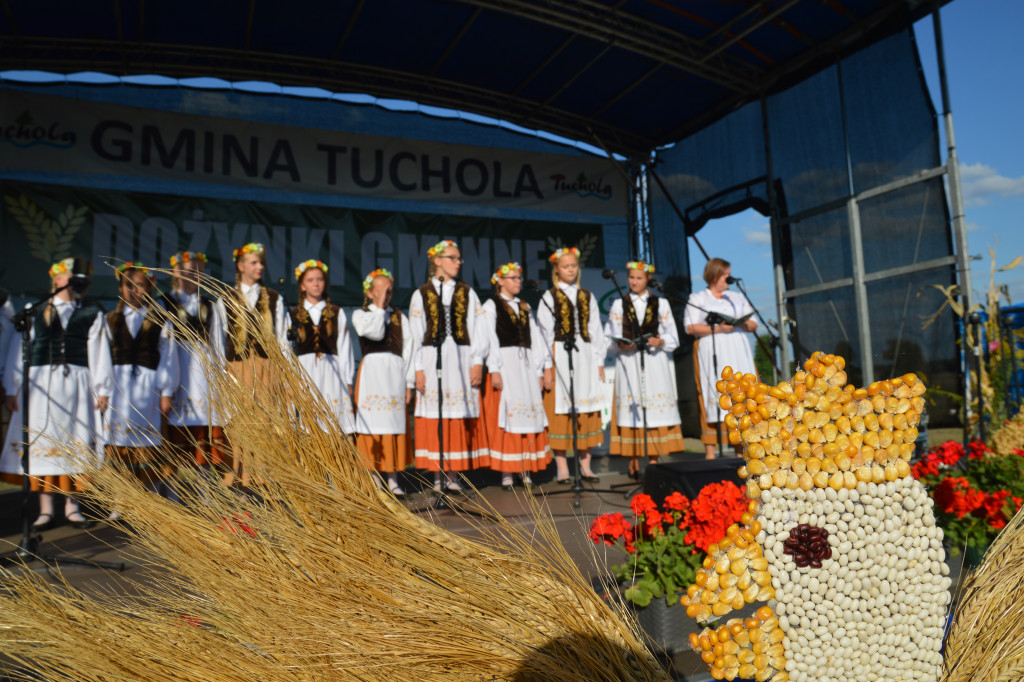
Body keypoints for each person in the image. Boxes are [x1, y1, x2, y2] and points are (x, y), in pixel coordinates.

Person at [1, 258, 112, 529]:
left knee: (74, 438)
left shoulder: (91, 312)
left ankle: (73, 507)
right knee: (42, 438)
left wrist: (102, 389)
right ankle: (46, 509)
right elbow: (19, 349)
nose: (72, 281)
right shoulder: (34, 310)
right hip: (40, 383)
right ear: (57, 279)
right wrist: (12, 386)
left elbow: (99, 354)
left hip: (76, 383)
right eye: (67, 276)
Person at [408, 239, 490, 492]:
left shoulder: (468, 292)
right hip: (433, 361)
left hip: (461, 360)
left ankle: (453, 476)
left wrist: (478, 362)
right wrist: (418, 369)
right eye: (453, 258)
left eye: (458, 259)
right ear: (437, 261)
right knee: (436, 417)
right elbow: (414, 334)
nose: (458, 263)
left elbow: (480, 330)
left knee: (455, 417)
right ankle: (436, 477)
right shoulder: (421, 294)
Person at [104, 262, 179, 503]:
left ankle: (152, 497)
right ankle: (120, 500)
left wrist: (167, 391)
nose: (135, 290)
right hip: (118, 387)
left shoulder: (160, 320)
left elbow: (168, 356)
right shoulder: (110, 319)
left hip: (148, 388)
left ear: (149, 288)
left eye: (141, 285)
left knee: (149, 442)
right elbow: (101, 358)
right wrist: (102, 390)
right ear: (120, 287)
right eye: (129, 285)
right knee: (118, 443)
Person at [216, 242, 288, 484]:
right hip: (237, 367)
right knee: (240, 419)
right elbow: (218, 338)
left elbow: (282, 338)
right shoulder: (225, 299)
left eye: (261, 263)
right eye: (254, 262)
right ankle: (238, 475)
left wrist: (284, 370)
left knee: (267, 419)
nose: (259, 267)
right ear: (241, 265)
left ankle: (264, 475)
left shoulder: (275, 298)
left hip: (267, 366)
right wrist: (221, 373)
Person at [605, 260, 684, 478]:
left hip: (654, 362)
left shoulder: (662, 303)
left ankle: (653, 461)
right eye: (631, 278)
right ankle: (632, 462)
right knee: (632, 407)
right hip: (629, 362)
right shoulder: (619, 305)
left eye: (639, 278)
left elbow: (673, 337)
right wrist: (621, 344)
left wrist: (661, 341)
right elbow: (608, 339)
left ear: (648, 279)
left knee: (653, 410)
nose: (634, 282)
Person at [536, 247, 606, 483]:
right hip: (559, 354)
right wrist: (546, 366)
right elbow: (543, 334)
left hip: (584, 353)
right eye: (566, 266)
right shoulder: (549, 297)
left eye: (574, 266)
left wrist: (599, 362)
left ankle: (585, 466)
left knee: (586, 409)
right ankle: (563, 468)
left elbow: (596, 330)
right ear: (556, 269)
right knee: (561, 411)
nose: (570, 270)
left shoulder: (587, 296)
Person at [480, 262, 552, 490]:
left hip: (527, 366)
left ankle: (525, 468)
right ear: (500, 281)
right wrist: (495, 368)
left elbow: (537, 340)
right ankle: (507, 473)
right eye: (512, 278)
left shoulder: (525, 306)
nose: (518, 281)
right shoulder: (492, 305)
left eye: (519, 278)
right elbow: (488, 338)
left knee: (529, 416)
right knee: (508, 416)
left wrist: (541, 370)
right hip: (506, 363)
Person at [161, 251, 229, 480]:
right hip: (176, 371)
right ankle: (173, 496)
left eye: (198, 270)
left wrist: (221, 381)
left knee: (203, 436)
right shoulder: (163, 302)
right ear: (175, 272)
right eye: (189, 269)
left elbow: (218, 346)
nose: (193, 274)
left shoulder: (211, 306)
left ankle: (204, 496)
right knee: (174, 436)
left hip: (203, 376)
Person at [684, 257, 758, 459]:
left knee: (742, 395)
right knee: (714, 395)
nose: (729, 278)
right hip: (713, 349)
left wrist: (740, 323)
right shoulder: (698, 298)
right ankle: (710, 453)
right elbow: (690, 327)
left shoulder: (736, 297)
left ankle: (741, 452)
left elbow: (753, 324)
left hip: (737, 349)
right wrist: (719, 328)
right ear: (715, 275)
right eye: (725, 274)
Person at [351, 268, 414, 497]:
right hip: (372, 375)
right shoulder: (362, 314)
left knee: (393, 424)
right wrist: (378, 307)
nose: (385, 296)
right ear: (370, 293)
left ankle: (393, 477)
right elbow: (375, 334)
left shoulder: (399, 316)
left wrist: (409, 382)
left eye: (388, 291)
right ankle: (374, 477)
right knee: (372, 424)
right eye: (380, 291)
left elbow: (409, 349)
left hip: (394, 374)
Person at [290, 259, 355, 434]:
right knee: (306, 424)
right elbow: (285, 347)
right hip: (304, 370)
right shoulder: (294, 314)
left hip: (331, 370)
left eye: (319, 279)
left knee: (332, 420)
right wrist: (288, 376)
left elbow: (345, 347)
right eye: (310, 280)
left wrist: (348, 379)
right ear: (302, 286)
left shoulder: (336, 312)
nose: (316, 284)